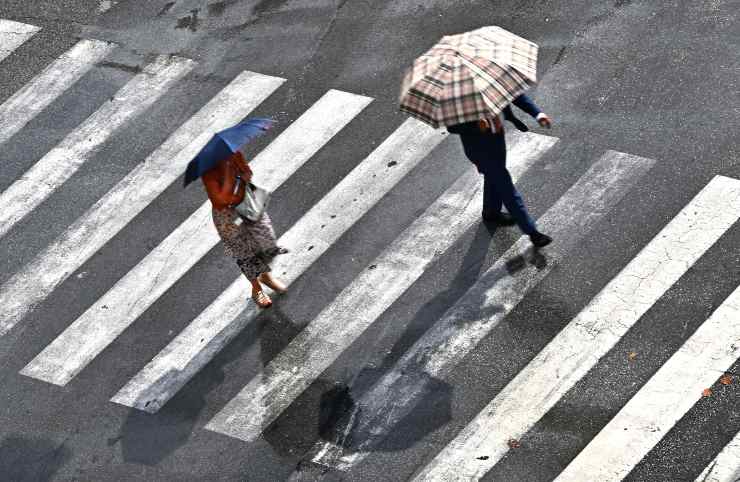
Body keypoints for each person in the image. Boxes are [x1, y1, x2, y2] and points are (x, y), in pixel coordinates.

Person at [446, 93, 553, 248]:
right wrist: (475, 124)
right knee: (505, 187)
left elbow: (515, 95)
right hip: (479, 148)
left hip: (497, 138)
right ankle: (532, 233)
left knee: (494, 178)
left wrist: (538, 114)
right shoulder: (458, 94)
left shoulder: (490, 80)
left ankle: (491, 212)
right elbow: (452, 126)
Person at [202, 151, 288, 308]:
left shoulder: (233, 154)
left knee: (267, 241)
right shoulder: (208, 173)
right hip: (228, 218)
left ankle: (265, 276)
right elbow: (220, 201)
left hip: (249, 206)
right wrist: (229, 176)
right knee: (245, 254)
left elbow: (247, 172)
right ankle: (257, 288)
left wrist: (245, 174)